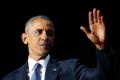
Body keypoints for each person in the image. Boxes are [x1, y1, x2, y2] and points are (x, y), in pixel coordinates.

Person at [2, 8, 114, 80]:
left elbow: (102, 77)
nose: (45, 37)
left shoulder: (71, 68)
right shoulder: (9, 78)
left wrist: (101, 47)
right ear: (25, 38)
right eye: (38, 32)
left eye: (49, 33)